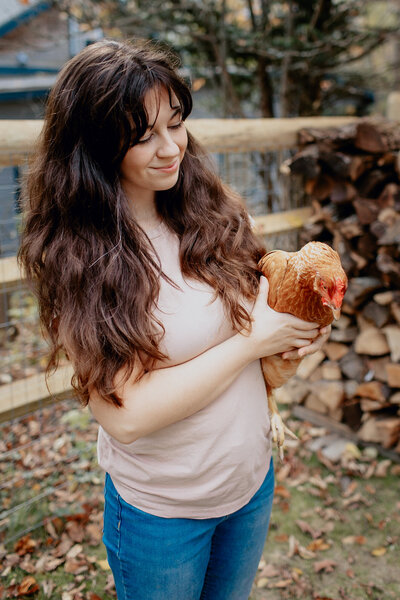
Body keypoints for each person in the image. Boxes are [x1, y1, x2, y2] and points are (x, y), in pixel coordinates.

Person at [19, 39, 330, 600]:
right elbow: (128, 416)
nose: (171, 148)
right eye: (143, 136)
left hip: (249, 484)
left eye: (176, 123)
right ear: (92, 145)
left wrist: (287, 344)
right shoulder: (77, 259)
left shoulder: (208, 210)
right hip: (163, 516)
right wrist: (249, 343)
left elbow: (259, 315)